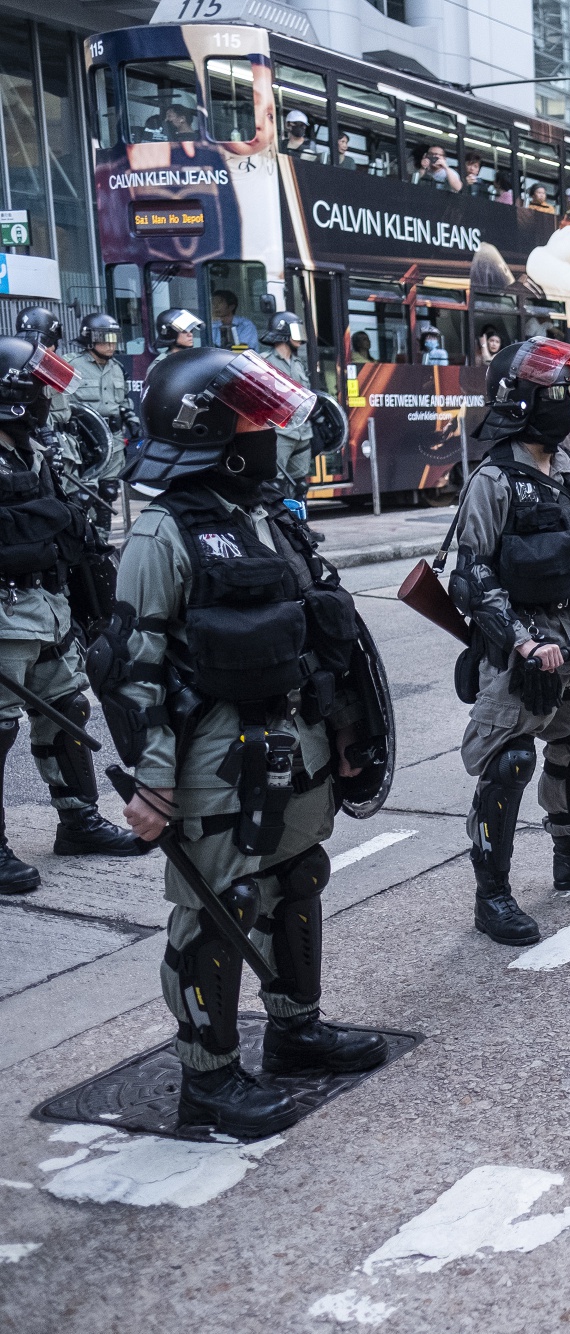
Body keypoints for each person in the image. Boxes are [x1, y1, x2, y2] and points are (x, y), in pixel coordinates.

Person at [100, 345, 393, 1138]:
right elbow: (134, 667)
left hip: (291, 742)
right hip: (214, 762)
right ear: (220, 439)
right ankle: (209, 1079)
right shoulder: (165, 534)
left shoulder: (262, 516)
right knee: (218, 909)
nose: (273, 434)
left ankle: (296, 1032)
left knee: (298, 879)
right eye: (257, 422)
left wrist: (342, 735)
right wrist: (154, 783)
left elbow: (318, 635)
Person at [448, 338, 570, 947]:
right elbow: (472, 574)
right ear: (519, 400)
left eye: (568, 392)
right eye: (551, 393)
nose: (563, 405)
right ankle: (493, 897)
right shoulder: (493, 478)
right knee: (509, 763)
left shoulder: (565, 472)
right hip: (521, 648)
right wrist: (521, 642)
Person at [0, 337, 149, 896]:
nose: (47, 399)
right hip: (4, 610)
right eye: (38, 389)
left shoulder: (30, 450)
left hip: (45, 605)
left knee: (67, 707)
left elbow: (61, 532)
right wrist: (48, 516)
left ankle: (78, 821)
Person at [71, 313, 141, 487]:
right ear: (89, 340)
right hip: (85, 441)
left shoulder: (117, 368)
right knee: (85, 493)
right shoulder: (72, 366)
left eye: (114, 339)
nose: (111, 345)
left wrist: (132, 420)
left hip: (114, 440)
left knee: (109, 490)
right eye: (105, 339)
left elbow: (123, 401)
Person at [258, 312, 317, 500]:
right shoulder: (265, 362)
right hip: (280, 433)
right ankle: (279, 526)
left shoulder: (298, 363)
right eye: (296, 331)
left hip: (303, 433)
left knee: (300, 485)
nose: (300, 337)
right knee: (275, 484)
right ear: (283, 333)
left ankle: (300, 527)